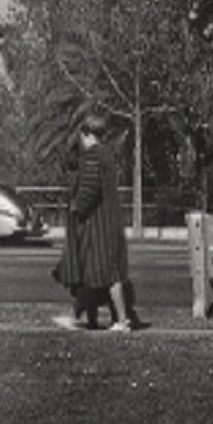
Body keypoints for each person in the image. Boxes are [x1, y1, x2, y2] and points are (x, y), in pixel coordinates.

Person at [52, 112, 140, 331]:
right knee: (106, 274)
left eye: (82, 136)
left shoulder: (92, 156)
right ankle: (95, 318)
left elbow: (89, 190)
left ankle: (120, 321)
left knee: (104, 273)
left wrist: (75, 207)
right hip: (111, 222)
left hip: (98, 226)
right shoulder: (107, 155)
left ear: (86, 133)